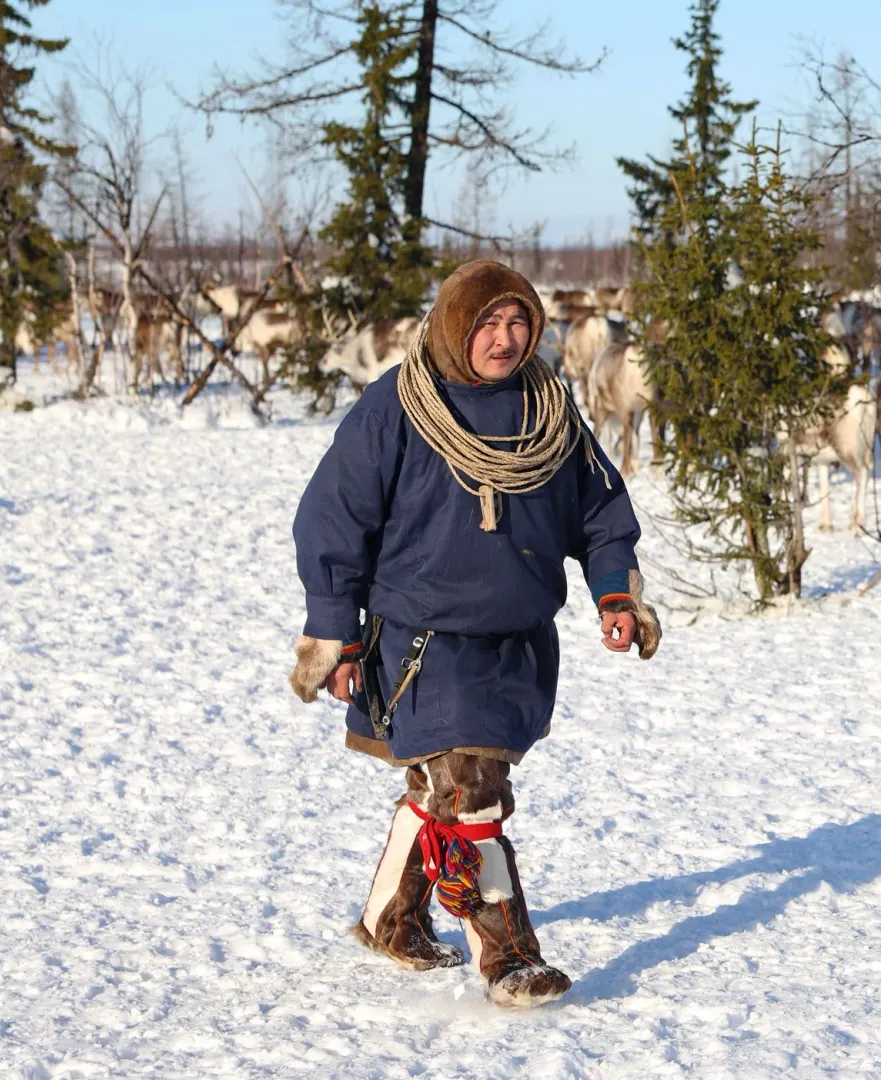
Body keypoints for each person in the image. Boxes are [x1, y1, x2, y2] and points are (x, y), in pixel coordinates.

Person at [287, 260, 661, 1007]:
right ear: (456, 325)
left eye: (519, 321)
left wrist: (616, 590)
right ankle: (510, 958)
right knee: (474, 797)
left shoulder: (549, 408)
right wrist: (336, 635)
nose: (506, 337)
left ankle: (389, 920)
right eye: (488, 322)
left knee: (440, 788)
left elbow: (598, 511)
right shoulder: (395, 406)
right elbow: (332, 519)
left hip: (518, 638)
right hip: (425, 643)